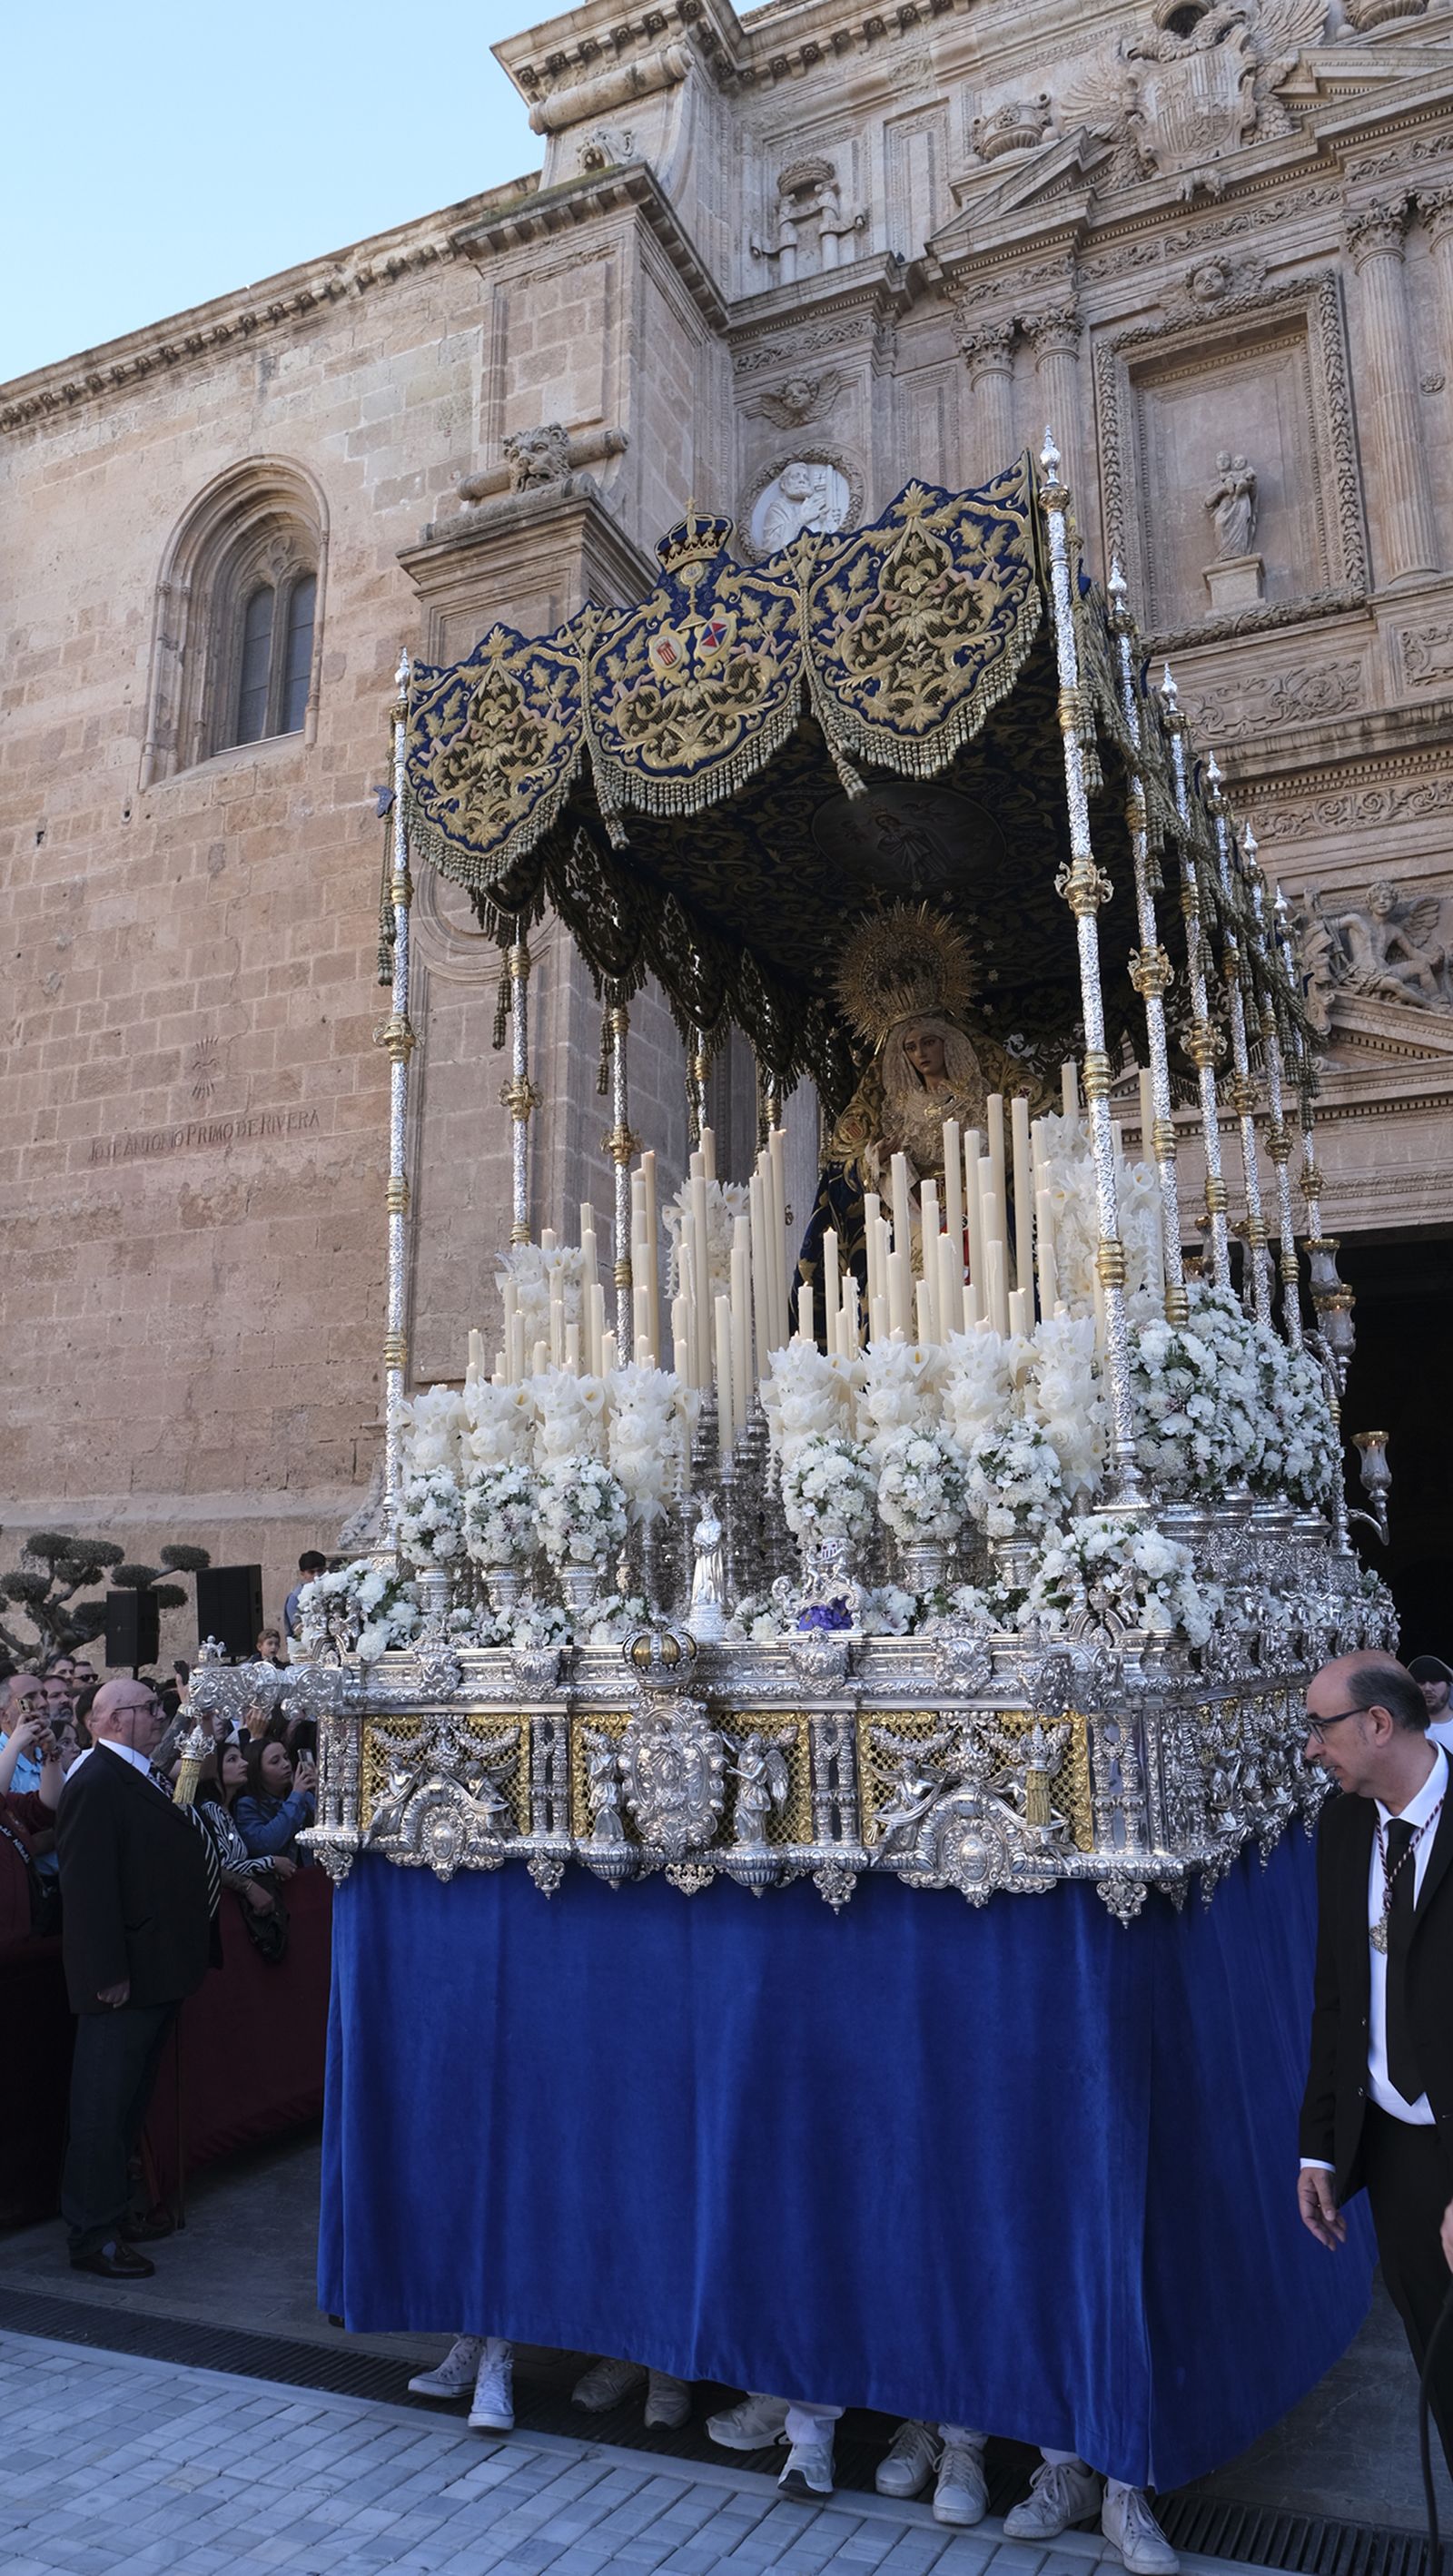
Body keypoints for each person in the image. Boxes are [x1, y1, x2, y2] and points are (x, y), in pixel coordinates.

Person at [1298, 1652, 1453, 2469]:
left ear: (1379, 1724)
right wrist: (1321, 2141)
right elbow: (1335, 1993)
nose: (1313, 1749)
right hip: (1396, 2148)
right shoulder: (1345, 1825)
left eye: (1320, 1728)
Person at [56, 1678, 220, 2278]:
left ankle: (112, 2210)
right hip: (120, 1979)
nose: (159, 1715)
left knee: (126, 2103)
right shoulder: (97, 1780)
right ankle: (91, 2232)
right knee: (101, 2108)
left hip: (154, 1970)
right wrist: (106, 1973)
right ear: (114, 1719)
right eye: (150, 1707)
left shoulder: (140, 1772)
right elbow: (88, 1888)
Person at [196, 1742, 293, 1941]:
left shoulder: (226, 1810)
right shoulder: (211, 1810)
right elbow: (222, 1865)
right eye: (233, 1760)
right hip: (226, 1917)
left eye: (241, 1757)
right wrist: (270, 1862)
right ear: (214, 1771)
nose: (244, 1763)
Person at [0, 1706, 64, 1939]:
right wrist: (15, 1745)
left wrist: (51, 1754)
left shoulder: (10, 1803)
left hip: (24, 1920)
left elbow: (48, 1805)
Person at [0, 1673, 60, 1883]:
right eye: (30, 1697)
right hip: (22, 1884)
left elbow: (59, 1805)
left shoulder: (50, 1750)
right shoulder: (3, 1759)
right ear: (4, 1715)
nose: (43, 1703)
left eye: (44, 1695)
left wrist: (52, 1753)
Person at [235, 1737, 317, 1860]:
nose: (286, 1764)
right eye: (275, 1761)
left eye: (286, 1757)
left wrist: (319, 1791)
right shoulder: (247, 1805)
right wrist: (296, 1796)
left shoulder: (304, 1795)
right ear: (257, 1771)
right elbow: (263, 1844)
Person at [1409, 1655, 1453, 1749]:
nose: (1427, 1688)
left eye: (1435, 1682)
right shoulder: (1403, 1727)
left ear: (1448, 1686)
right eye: (1421, 1683)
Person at [284, 1552, 328, 1648]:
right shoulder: (295, 1598)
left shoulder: (331, 1590)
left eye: (320, 1571)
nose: (316, 1576)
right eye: (311, 1572)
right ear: (302, 1574)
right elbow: (298, 1631)